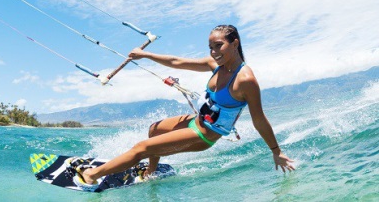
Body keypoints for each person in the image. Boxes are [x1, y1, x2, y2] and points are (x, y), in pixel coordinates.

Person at [68, 25, 295, 191]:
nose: (214, 51)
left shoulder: (245, 80)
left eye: (219, 46)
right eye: (211, 47)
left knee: (142, 148)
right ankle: (150, 173)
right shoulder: (215, 64)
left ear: (235, 43)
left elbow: (259, 119)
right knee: (154, 129)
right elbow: (176, 61)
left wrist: (276, 151)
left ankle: (91, 176)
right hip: (195, 120)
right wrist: (145, 54)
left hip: (203, 135)